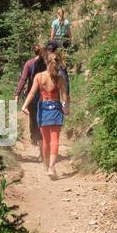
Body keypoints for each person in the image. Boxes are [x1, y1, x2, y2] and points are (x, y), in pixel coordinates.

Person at [21, 49, 70, 178]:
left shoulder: (39, 77)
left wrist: (24, 105)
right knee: (55, 140)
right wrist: (66, 108)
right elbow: (64, 96)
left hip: (43, 109)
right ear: (57, 63)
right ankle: (51, 167)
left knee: (45, 140)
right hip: (56, 110)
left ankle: (46, 164)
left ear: (46, 62)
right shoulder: (60, 79)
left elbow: (32, 93)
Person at [15, 44, 47, 146]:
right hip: (45, 93)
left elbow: (23, 79)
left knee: (33, 116)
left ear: (34, 52)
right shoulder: (46, 64)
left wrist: (17, 94)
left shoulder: (29, 64)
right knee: (43, 115)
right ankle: (42, 137)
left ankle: (34, 137)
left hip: (31, 94)